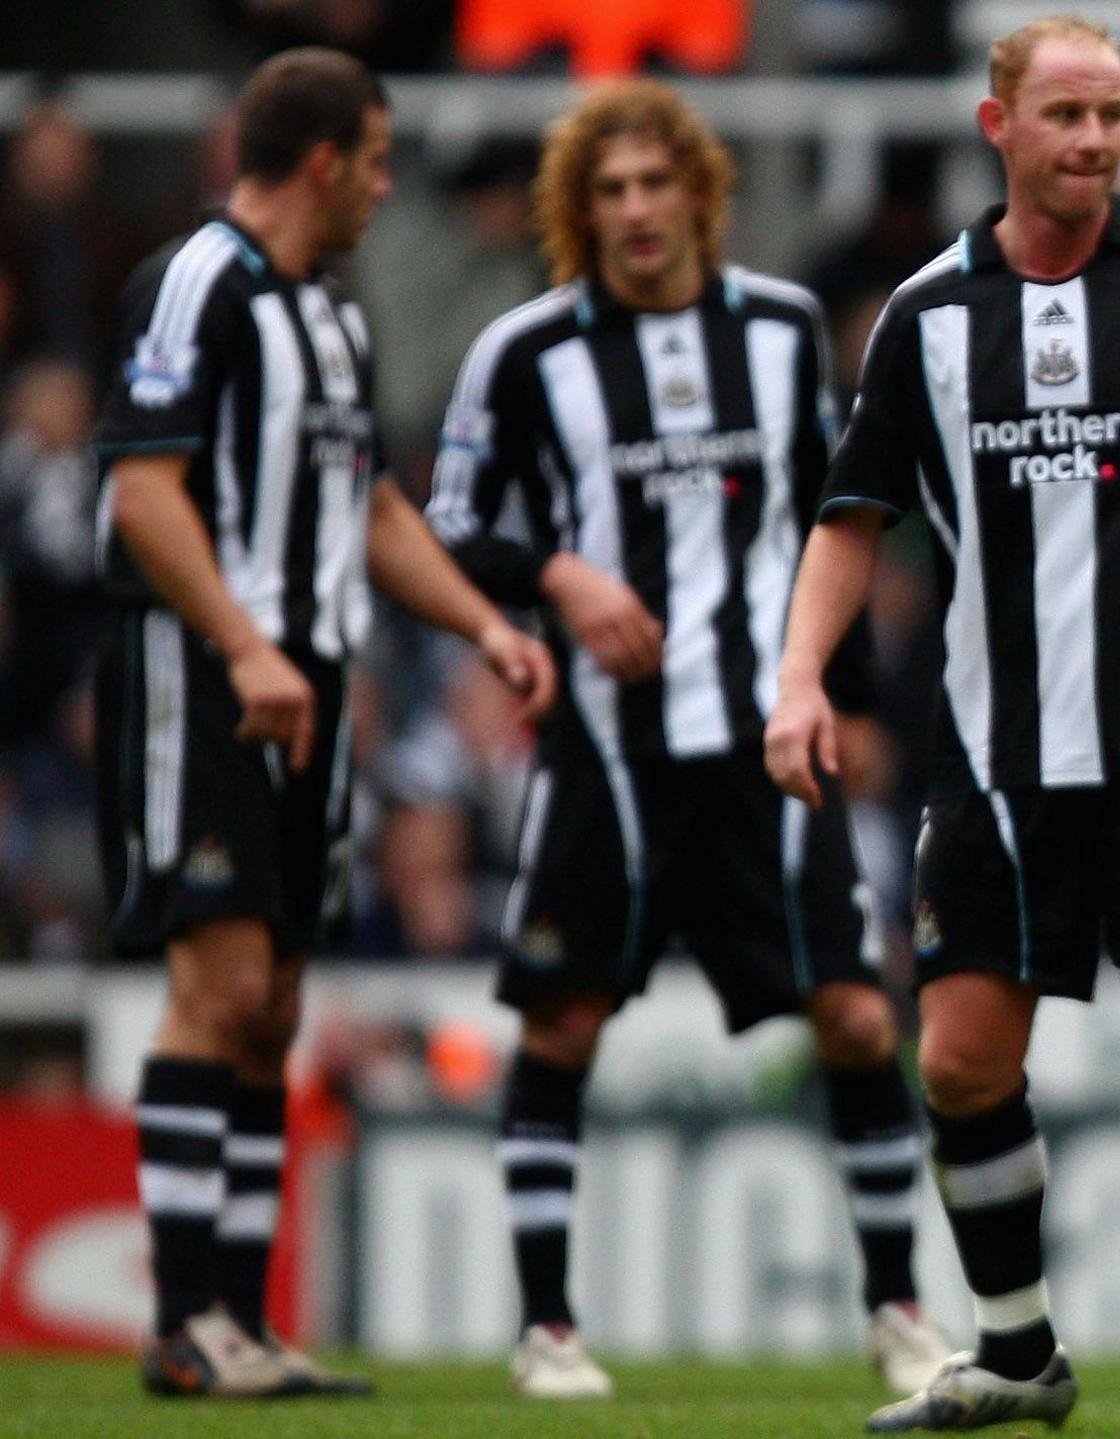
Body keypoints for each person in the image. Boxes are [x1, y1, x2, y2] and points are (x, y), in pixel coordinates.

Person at [765, 16, 1120, 1432]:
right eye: (1065, 114)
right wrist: (796, 680)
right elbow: (852, 516)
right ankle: (1018, 1356)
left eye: (1111, 115)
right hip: (993, 754)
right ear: (996, 124)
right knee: (957, 1058)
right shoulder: (926, 314)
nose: (1091, 140)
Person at [423, 80, 949, 1400]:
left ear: (699, 193)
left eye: (658, 184)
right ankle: (547, 1325)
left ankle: (897, 1307)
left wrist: (861, 699)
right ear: (579, 210)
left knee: (848, 1010)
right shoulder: (528, 352)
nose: (638, 211)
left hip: (767, 741)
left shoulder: (779, 332)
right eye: (610, 191)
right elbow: (452, 526)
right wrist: (562, 575)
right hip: (606, 746)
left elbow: (842, 518)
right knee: (564, 1018)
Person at [96, 47, 556, 1398]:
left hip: (313, 685)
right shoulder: (199, 281)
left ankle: (238, 1320)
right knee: (218, 985)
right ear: (321, 160)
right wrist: (243, 644)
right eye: (376, 158)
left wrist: (483, 625)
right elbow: (144, 493)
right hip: (206, 673)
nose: (386, 183)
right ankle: (185, 1324)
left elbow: (370, 511)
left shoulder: (333, 317)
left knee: (278, 1001)